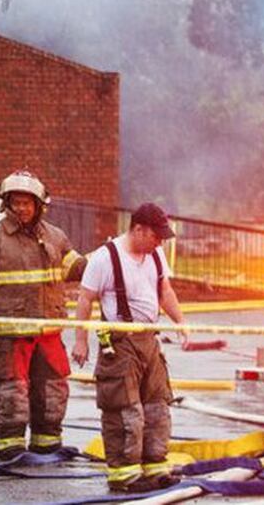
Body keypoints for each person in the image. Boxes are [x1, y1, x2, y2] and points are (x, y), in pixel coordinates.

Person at [0, 169, 87, 461]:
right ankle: (12, 447)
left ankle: (47, 443)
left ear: (39, 205)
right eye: (15, 202)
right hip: (10, 333)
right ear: (5, 204)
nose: (21, 208)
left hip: (47, 331)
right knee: (13, 392)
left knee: (53, 389)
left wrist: (107, 256)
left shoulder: (55, 237)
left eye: (26, 203)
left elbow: (77, 269)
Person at [72, 202, 187, 494]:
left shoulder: (156, 254)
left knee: (157, 407)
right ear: (138, 229)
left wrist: (181, 323)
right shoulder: (105, 258)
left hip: (149, 340)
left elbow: (166, 291)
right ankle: (124, 475)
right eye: (155, 236)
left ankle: (155, 469)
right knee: (124, 411)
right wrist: (81, 340)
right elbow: (85, 299)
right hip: (120, 345)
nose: (160, 242)